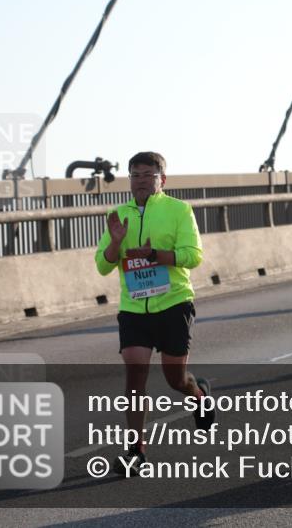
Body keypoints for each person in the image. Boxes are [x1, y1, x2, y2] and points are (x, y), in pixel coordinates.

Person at [94, 151, 210, 475]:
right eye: (135, 174)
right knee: (135, 371)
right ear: (128, 179)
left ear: (162, 179)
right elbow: (103, 264)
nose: (141, 180)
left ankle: (198, 394)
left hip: (173, 302)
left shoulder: (178, 210)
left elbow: (194, 256)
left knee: (176, 379)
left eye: (148, 174)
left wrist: (156, 255)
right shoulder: (117, 214)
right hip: (134, 307)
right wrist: (116, 244)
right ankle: (136, 451)